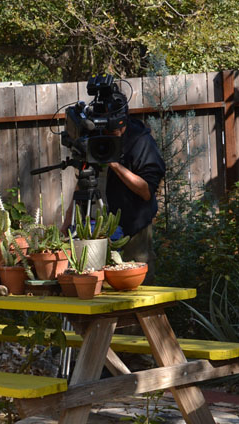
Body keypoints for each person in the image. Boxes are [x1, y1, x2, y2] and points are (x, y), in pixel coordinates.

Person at [62, 92, 166, 284]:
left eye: (113, 131)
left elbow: (146, 191)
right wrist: (68, 220)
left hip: (133, 228)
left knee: (137, 284)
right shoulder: (97, 135)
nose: (109, 136)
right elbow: (83, 178)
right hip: (99, 226)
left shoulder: (141, 142)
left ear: (122, 121)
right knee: (95, 280)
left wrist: (114, 163)